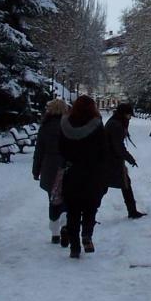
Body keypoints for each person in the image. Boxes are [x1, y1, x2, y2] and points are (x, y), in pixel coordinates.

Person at [58, 95, 108, 258]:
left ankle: (74, 247)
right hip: (92, 173)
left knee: (72, 211)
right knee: (90, 208)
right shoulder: (97, 125)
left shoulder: (65, 125)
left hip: (72, 172)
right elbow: (103, 150)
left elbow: (61, 149)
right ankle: (87, 235)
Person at [32, 98, 68, 243]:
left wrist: (36, 170)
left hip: (49, 167)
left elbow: (39, 151)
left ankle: (54, 232)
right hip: (66, 165)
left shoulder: (45, 127)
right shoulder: (68, 125)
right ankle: (66, 223)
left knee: (53, 200)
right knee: (66, 197)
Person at [105, 102, 146, 219]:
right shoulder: (116, 125)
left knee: (123, 184)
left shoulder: (115, 122)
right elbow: (118, 146)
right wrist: (129, 158)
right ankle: (132, 211)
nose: (130, 117)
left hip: (110, 158)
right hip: (111, 159)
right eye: (129, 115)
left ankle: (132, 210)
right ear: (124, 114)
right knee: (121, 184)